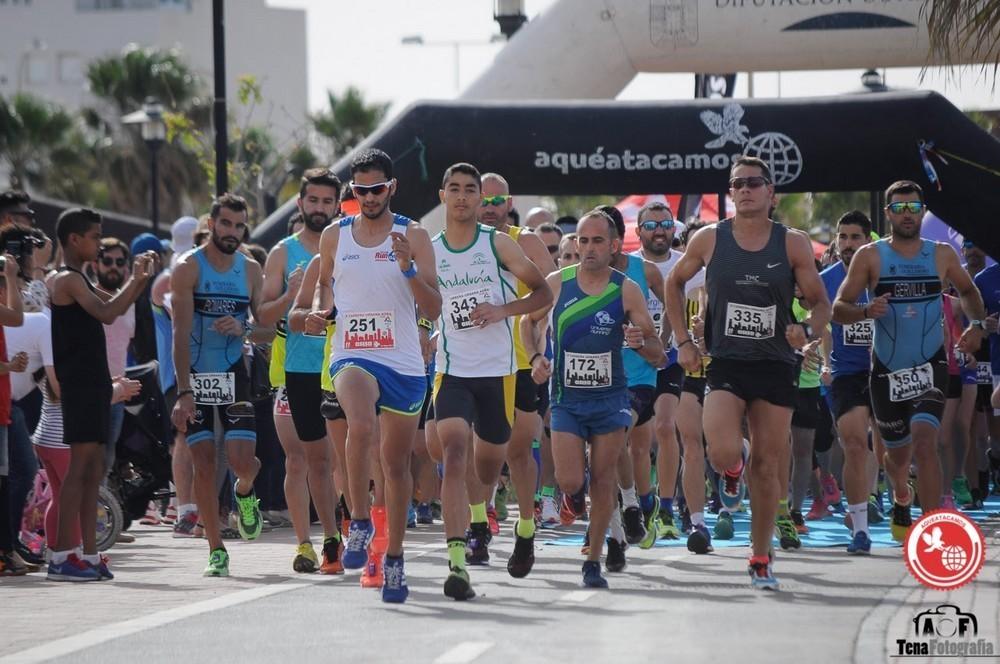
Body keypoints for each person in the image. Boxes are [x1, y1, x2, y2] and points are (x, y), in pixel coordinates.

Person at [666, 157, 831, 590]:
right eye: (737, 184)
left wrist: (808, 330)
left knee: (768, 464)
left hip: (776, 365)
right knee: (720, 452)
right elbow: (673, 282)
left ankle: (760, 557)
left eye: (754, 183)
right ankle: (731, 469)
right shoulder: (709, 239)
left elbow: (821, 302)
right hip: (727, 363)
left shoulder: (792, 244)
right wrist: (683, 341)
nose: (744, 190)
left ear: (771, 193)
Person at [313, 148, 441, 603]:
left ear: (392, 187)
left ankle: (395, 558)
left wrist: (407, 267)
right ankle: (360, 521)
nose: (369, 197)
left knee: (396, 466)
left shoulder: (415, 235)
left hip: (404, 362)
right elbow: (324, 284)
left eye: (377, 189)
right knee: (360, 425)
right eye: (360, 190)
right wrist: (318, 311)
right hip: (353, 353)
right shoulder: (335, 236)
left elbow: (434, 307)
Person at [833, 180, 986, 541]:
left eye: (914, 208)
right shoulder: (870, 255)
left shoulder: (941, 253)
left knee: (925, 441)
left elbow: (968, 290)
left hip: (930, 365)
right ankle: (901, 492)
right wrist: (867, 310)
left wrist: (977, 326)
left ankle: (932, 531)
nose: (907, 215)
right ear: (887, 214)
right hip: (886, 371)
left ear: (922, 212)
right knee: (897, 457)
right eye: (899, 209)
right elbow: (839, 309)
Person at [522, 210, 662, 589]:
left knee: (603, 479)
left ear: (615, 246)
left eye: (597, 241)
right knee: (570, 481)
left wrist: (640, 341)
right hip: (566, 399)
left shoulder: (626, 289)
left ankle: (594, 561)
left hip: (611, 399)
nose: (588, 248)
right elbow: (527, 322)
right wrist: (536, 358)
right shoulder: (557, 283)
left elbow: (656, 348)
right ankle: (595, 518)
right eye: (582, 241)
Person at [431, 164, 550, 599]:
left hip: (499, 371)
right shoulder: (430, 249)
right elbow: (424, 301)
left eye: (471, 191)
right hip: (452, 371)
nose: (463, 198)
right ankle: (458, 562)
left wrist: (503, 311)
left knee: (490, 465)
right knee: (454, 453)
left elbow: (544, 293)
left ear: (480, 198)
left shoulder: (498, 245)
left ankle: (523, 527)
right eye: (455, 189)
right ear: (443, 195)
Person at [46, 208, 154, 581]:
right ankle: (62, 555)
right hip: (78, 385)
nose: (98, 242)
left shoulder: (80, 279)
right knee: (79, 469)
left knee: (93, 471)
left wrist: (138, 283)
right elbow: (108, 313)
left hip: (93, 382)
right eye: (93, 236)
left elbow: (112, 306)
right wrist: (137, 280)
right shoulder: (65, 280)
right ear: (74, 239)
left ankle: (87, 554)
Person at [170, 194, 265, 578]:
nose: (231, 232)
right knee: (204, 465)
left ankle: (244, 493)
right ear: (211, 223)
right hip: (196, 374)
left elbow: (264, 328)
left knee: (244, 461)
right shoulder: (187, 267)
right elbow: (178, 333)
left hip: (232, 374)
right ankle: (216, 549)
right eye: (225, 224)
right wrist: (183, 391)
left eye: (239, 226)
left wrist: (242, 327)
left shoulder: (251, 269)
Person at [258, 168, 343, 574]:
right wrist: (293, 298)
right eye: (314, 201)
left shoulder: (348, 244)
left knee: (331, 461)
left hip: (344, 366)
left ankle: (335, 534)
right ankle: (306, 543)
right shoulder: (282, 252)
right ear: (301, 203)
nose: (320, 208)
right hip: (297, 370)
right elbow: (263, 316)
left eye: (328, 202)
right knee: (299, 461)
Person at [472, 172, 556, 579]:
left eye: (497, 199)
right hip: (473, 360)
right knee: (471, 448)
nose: (489, 206)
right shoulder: (458, 242)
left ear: (509, 203)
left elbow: (549, 291)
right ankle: (477, 524)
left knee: (517, 452)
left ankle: (524, 530)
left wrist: (531, 333)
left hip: (521, 361)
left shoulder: (526, 242)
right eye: (482, 198)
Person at [819, 211, 879, 554]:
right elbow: (824, 326)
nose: (847, 243)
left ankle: (898, 493)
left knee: (894, 453)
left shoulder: (885, 273)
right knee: (854, 443)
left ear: (868, 240)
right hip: (845, 372)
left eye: (855, 237)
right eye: (842, 237)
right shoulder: (826, 279)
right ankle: (860, 527)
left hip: (887, 369)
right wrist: (825, 359)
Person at [94, 238, 136, 487]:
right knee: (87, 459)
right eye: (107, 261)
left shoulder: (128, 302)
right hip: (91, 391)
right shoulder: (85, 295)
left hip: (118, 393)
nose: (113, 267)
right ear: (96, 264)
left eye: (119, 262)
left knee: (107, 460)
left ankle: (97, 516)